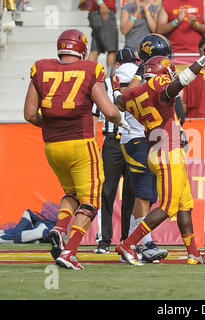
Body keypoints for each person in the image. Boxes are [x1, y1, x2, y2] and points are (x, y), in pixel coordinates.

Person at [113, 35, 205, 265]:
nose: (170, 74)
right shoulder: (159, 89)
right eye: (167, 71)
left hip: (158, 149)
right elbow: (179, 83)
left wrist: (116, 87)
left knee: (185, 204)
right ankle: (129, 243)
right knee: (167, 206)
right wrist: (204, 59)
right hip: (167, 150)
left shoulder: (134, 93)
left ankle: (193, 252)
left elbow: (119, 101)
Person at [23, 29, 128, 270]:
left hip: (52, 147)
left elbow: (29, 114)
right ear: (81, 48)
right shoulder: (90, 69)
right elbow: (110, 111)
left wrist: (51, 123)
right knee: (91, 201)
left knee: (71, 192)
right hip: (81, 144)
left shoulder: (41, 68)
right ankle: (70, 251)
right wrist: (122, 120)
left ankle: (59, 228)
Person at [117, 62, 168, 264]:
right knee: (143, 194)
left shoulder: (154, 82)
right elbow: (123, 100)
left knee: (150, 196)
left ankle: (130, 242)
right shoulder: (137, 79)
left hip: (152, 140)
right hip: (136, 139)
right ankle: (145, 244)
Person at [92, 49, 136, 254]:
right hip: (114, 141)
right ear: (117, 66)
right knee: (108, 191)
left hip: (132, 141)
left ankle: (128, 239)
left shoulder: (139, 82)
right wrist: (93, 142)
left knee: (131, 193)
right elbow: (94, 115)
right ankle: (105, 239)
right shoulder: (105, 85)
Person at [88, 0, 119, 76]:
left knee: (95, 50)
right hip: (104, 10)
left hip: (98, 12)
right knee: (112, 50)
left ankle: (87, 76)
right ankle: (110, 80)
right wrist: (101, 4)